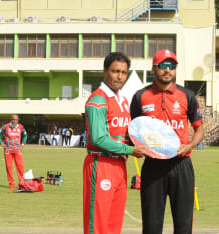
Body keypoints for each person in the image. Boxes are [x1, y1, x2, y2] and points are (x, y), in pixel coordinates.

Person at [130, 49, 204, 234]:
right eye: (163, 66)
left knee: (183, 225)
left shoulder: (187, 95)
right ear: (154, 69)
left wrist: (189, 145)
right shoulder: (140, 96)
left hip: (182, 164)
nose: (167, 70)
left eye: (172, 66)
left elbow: (199, 129)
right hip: (153, 166)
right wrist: (135, 147)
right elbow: (132, 130)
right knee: (152, 225)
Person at [83, 52, 148, 234]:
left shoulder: (123, 100)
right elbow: (98, 139)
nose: (119, 76)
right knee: (98, 223)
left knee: (114, 222)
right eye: (115, 71)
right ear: (105, 71)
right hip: (101, 163)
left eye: (123, 72)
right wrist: (130, 149)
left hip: (120, 165)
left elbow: (125, 133)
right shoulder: (97, 100)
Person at [0, 114, 27, 189]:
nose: (15, 121)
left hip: (17, 149)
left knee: (20, 166)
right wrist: (1, 143)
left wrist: (22, 144)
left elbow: (25, 135)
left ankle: (22, 182)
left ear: (18, 120)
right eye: (13, 119)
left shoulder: (20, 127)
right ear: (11, 119)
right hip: (8, 150)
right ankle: (11, 183)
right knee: (9, 167)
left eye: (16, 120)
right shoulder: (5, 126)